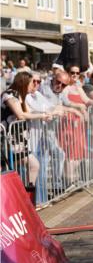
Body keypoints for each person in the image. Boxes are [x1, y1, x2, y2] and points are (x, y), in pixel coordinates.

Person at [1, 70, 52, 200]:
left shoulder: (21, 96)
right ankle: (25, 200)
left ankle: (26, 199)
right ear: (23, 83)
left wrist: (44, 114)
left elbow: (29, 112)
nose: (34, 86)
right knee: (30, 165)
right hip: (7, 139)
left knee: (25, 168)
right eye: (31, 83)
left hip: (18, 139)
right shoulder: (9, 95)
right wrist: (41, 115)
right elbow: (21, 115)